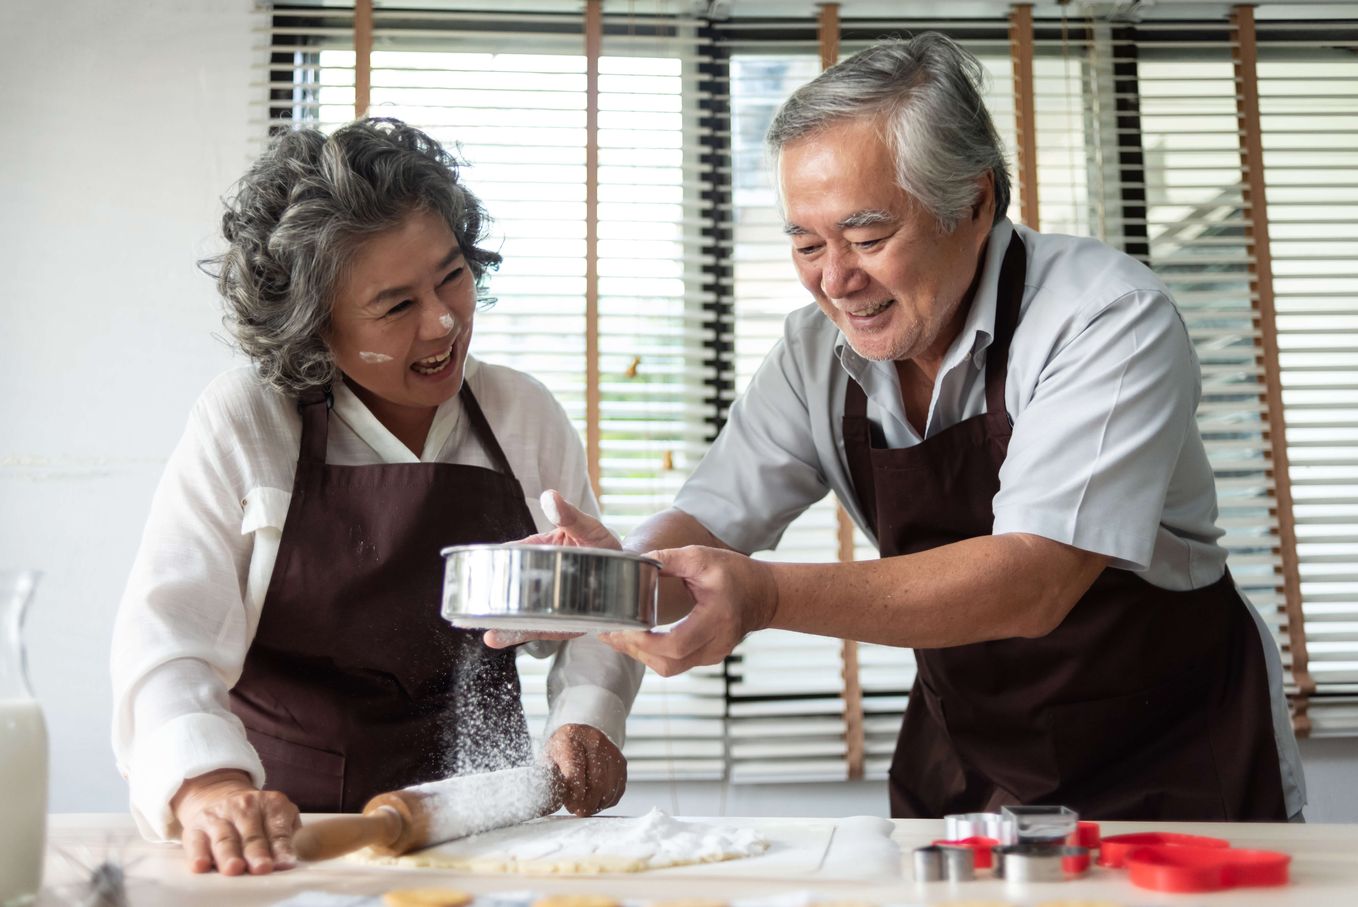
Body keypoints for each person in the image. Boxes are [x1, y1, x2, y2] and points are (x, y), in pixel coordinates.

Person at [517, 35, 1305, 821]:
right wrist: (616, 573)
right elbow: (710, 519)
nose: (835, 280)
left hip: (1169, 756)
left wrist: (761, 597)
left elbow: (1032, 578)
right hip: (970, 759)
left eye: (867, 238)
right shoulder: (812, 356)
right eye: (805, 243)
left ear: (973, 203)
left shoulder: (1103, 318)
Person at [111, 118, 643, 876]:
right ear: (314, 328)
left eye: (452, 274)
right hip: (284, 841)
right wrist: (210, 785)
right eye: (395, 306)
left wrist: (589, 720)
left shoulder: (522, 414)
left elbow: (593, 616)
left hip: (484, 830)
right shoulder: (248, 419)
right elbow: (165, 640)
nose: (445, 320)